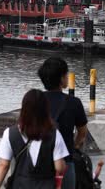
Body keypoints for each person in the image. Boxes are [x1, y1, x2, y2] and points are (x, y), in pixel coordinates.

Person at [0, 89, 69, 189]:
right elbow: (59, 167)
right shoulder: (54, 134)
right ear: (45, 110)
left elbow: (3, 165)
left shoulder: (10, 133)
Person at [38, 57, 88, 189]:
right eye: (66, 74)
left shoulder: (36, 100)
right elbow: (82, 132)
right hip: (65, 161)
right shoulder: (74, 102)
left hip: (39, 163)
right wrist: (74, 146)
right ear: (61, 78)